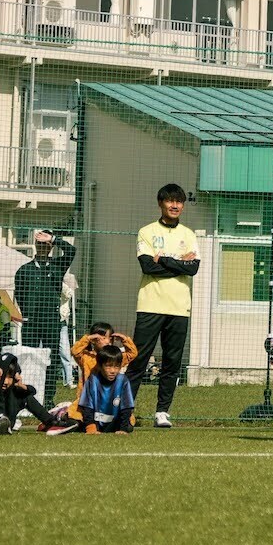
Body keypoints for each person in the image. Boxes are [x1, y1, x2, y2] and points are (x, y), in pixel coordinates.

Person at [131, 183, 200, 429]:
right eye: (170, 201)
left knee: (172, 362)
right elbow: (147, 267)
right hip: (150, 305)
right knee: (138, 360)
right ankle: (126, 409)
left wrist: (166, 260)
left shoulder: (189, 234)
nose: (175, 205)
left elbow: (194, 269)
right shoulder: (146, 231)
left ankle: (162, 411)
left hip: (179, 308)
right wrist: (179, 264)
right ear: (161, 203)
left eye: (179, 201)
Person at [13, 229, 72, 400]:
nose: (43, 247)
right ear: (35, 245)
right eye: (40, 243)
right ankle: (27, 396)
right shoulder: (24, 270)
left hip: (51, 321)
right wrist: (26, 314)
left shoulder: (58, 266)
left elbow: (71, 251)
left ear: (51, 246)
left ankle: (48, 398)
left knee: (51, 360)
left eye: (46, 244)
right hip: (31, 322)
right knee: (29, 357)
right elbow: (20, 294)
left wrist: (54, 239)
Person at [59, 321, 137, 434]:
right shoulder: (86, 357)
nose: (107, 341)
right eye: (103, 337)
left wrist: (125, 340)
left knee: (128, 426)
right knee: (74, 423)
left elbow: (132, 354)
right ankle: (59, 416)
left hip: (109, 401)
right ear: (94, 340)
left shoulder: (114, 358)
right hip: (87, 402)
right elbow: (75, 351)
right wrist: (88, 338)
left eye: (110, 338)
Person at [0, 348, 62, 435]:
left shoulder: (13, 389)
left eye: (10, 377)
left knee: (24, 394)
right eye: (3, 377)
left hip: (7, 424)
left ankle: (50, 421)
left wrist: (22, 386)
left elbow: (32, 391)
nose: (6, 381)